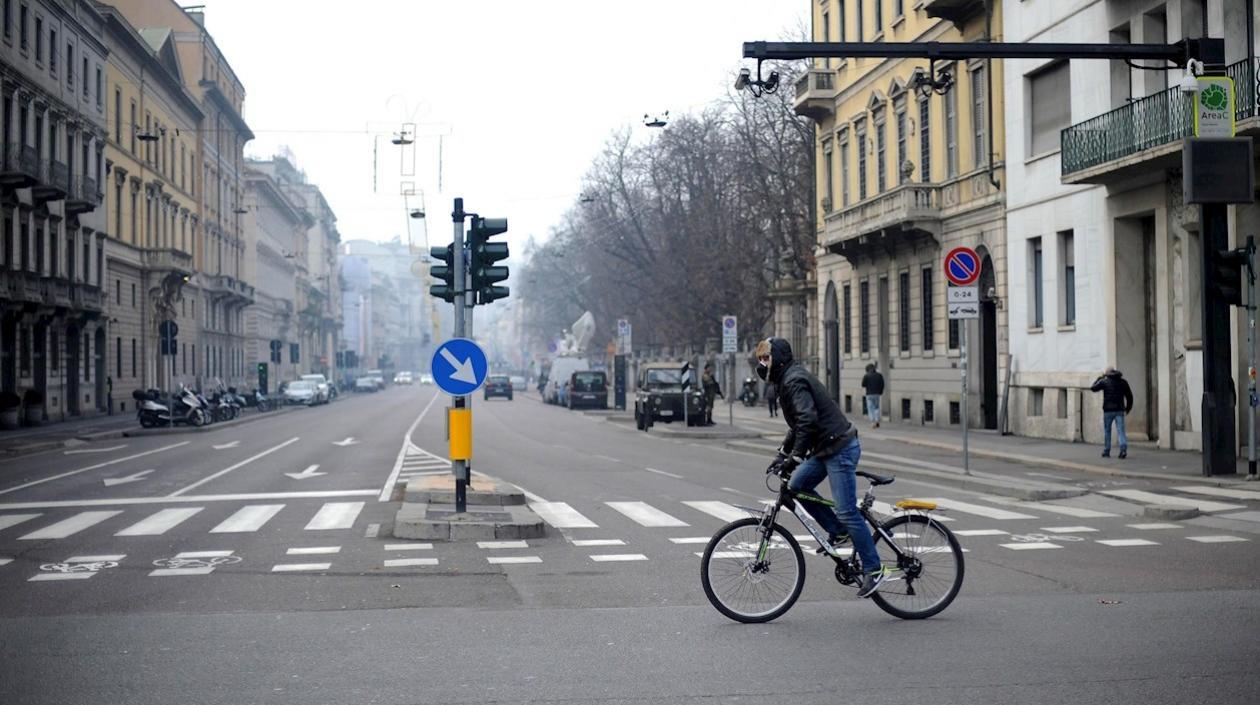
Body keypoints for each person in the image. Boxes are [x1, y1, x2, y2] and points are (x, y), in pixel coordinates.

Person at [756, 337, 886, 598]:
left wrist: (794, 457)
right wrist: (783, 453)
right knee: (796, 486)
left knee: (848, 511)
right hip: (826, 448)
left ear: (778, 357)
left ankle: (874, 568)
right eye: (759, 360)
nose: (762, 364)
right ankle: (837, 532)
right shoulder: (786, 380)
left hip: (840, 448)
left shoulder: (793, 381)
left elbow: (808, 420)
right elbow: (797, 426)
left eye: (766, 358)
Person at [1091, 367, 1134, 459]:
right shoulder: (1123, 382)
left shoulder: (1104, 381)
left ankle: (1107, 450)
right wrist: (1128, 408)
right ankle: (1123, 449)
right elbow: (1129, 396)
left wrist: (1099, 378)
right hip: (1119, 410)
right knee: (1121, 430)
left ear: (1107, 374)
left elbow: (1093, 388)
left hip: (1108, 410)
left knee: (1107, 431)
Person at [860, 363, 884, 428]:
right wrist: (880, 392)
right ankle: (877, 420)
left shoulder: (866, 376)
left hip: (869, 394)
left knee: (870, 408)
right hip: (877, 394)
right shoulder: (879, 375)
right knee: (877, 407)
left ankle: (873, 422)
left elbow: (863, 384)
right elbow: (882, 384)